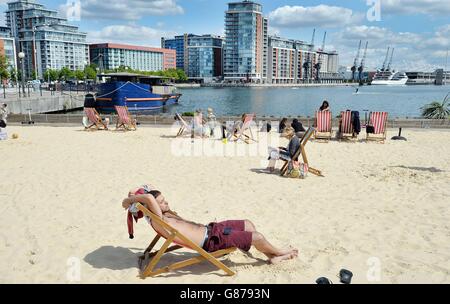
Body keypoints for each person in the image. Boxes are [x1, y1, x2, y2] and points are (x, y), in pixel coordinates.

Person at [122, 190, 298, 264]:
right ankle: (281, 252)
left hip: (212, 229)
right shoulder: (159, 220)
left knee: (248, 224)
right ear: (152, 207)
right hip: (212, 242)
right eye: (162, 202)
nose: (166, 202)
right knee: (257, 236)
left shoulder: (164, 215)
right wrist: (131, 201)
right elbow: (150, 198)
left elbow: (150, 193)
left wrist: (134, 194)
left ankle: (272, 256)